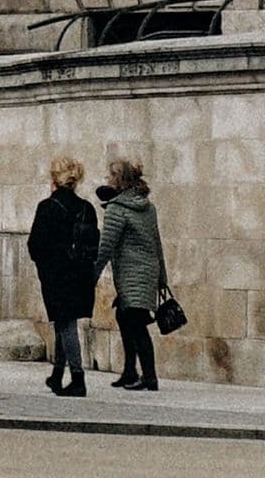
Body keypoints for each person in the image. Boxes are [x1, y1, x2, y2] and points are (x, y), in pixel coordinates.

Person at [27, 156, 99, 396]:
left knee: (66, 324)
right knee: (63, 321)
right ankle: (57, 374)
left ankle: (78, 377)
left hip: (57, 275)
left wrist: (47, 263)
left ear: (54, 180)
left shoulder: (47, 207)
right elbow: (93, 244)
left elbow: (34, 245)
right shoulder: (87, 208)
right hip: (81, 274)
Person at [94, 158, 167, 391]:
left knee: (135, 324)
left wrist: (91, 275)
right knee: (125, 318)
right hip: (147, 271)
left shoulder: (117, 209)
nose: (108, 179)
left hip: (132, 274)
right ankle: (129, 371)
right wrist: (161, 276)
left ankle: (149, 377)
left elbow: (105, 246)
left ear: (120, 180)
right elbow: (157, 243)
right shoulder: (148, 206)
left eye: (111, 175)